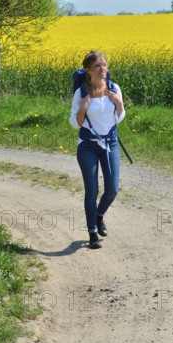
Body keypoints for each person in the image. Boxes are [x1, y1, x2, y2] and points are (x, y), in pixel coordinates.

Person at [69, 50, 125, 249]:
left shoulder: (113, 87)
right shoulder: (81, 92)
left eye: (104, 65)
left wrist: (118, 104)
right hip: (88, 146)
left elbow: (119, 117)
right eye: (98, 66)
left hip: (111, 143)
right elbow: (75, 123)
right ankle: (92, 233)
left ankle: (99, 215)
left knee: (112, 189)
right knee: (92, 189)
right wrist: (84, 107)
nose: (103, 69)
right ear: (88, 70)